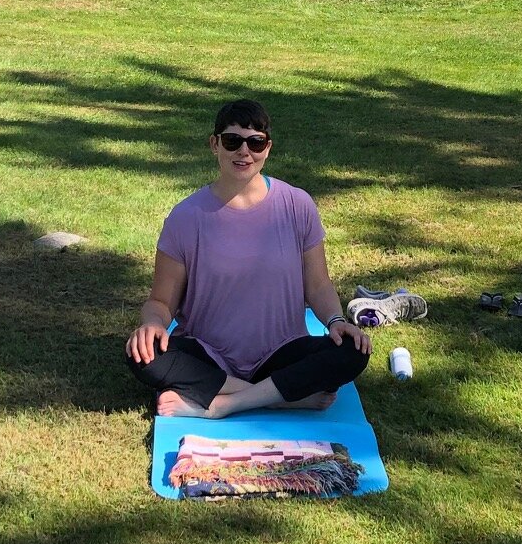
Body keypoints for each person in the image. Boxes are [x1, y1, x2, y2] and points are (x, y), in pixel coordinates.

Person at [127, 99, 371, 418]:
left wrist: (337, 322)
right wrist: (152, 324)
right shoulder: (186, 217)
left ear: (267, 148)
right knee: (141, 354)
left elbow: (318, 284)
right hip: (208, 354)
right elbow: (160, 301)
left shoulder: (297, 205)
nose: (244, 152)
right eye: (232, 141)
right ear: (214, 144)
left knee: (352, 351)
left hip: (282, 352)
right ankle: (282, 397)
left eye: (255, 142)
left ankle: (226, 402)